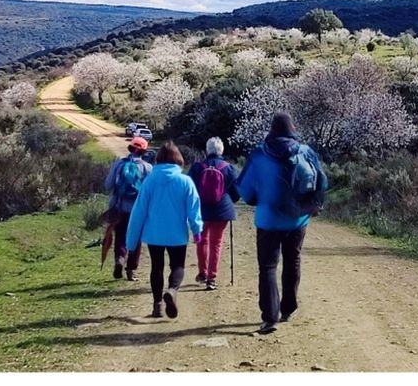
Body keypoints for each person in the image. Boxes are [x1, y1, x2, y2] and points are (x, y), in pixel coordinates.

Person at [236, 113, 329, 334]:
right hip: (298, 219)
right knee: (293, 259)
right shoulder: (306, 151)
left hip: (268, 221)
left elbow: (245, 191)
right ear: (292, 128)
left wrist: (259, 199)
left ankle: (270, 317)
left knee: (268, 267)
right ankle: (288, 308)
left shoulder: (259, 154)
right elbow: (323, 181)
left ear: (272, 129)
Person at [124, 141, 202, 319]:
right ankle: (172, 290)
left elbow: (139, 212)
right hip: (177, 234)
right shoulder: (185, 181)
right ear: (178, 159)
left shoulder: (150, 181)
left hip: (154, 234)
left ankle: (157, 305)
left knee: (156, 267)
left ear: (158, 159)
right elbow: (194, 209)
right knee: (178, 266)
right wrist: (197, 231)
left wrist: (131, 241)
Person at [191, 136, 239, 289]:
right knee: (216, 243)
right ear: (221, 150)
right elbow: (236, 193)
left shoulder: (197, 167)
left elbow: (190, 189)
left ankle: (202, 273)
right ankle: (212, 278)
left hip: (202, 210)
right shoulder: (229, 168)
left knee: (202, 241)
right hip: (222, 211)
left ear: (207, 150)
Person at [102, 137, 152, 280]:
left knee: (120, 236)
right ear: (144, 151)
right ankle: (131, 270)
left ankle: (120, 259)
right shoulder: (147, 168)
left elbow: (108, 185)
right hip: (139, 209)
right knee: (136, 239)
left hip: (119, 206)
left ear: (130, 148)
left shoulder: (118, 164)